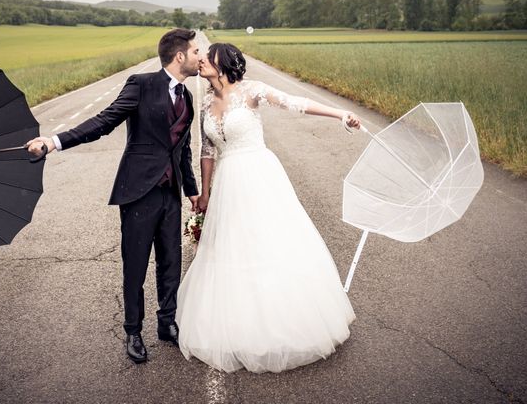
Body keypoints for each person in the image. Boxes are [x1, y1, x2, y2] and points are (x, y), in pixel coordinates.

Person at [175, 42, 359, 373]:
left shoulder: (252, 91)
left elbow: (296, 103)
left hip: (259, 174)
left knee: (269, 240)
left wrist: (340, 114)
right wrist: (205, 193)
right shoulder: (206, 104)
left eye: (207, 57)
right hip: (228, 183)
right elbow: (206, 151)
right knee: (233, 247)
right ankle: (238, 322)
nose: (200, 61)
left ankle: (284, 323)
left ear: (225, 63)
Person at [26, 29, 201, 364]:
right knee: (135, 265)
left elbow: (184, 150)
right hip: (138, 192)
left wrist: (192, 191)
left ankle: (167, 323)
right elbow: (104, 121)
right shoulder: (141, 84)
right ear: (179, 56)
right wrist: (53, 141)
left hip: (170, 193)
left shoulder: (187, 97)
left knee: (171, 261)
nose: (200, 57)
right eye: (195, 52)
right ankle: (133, 331)